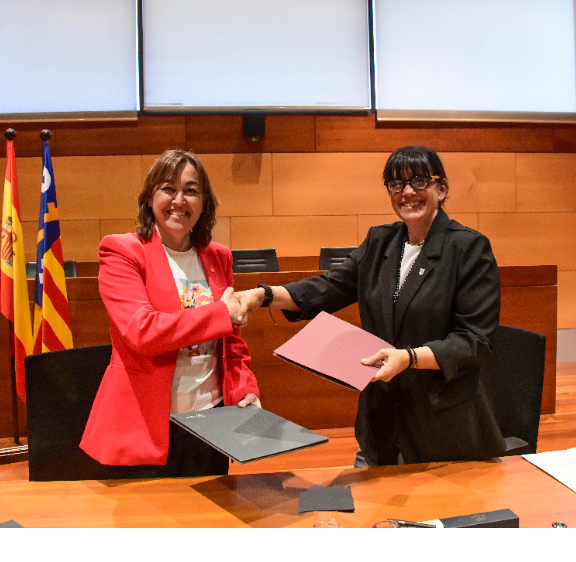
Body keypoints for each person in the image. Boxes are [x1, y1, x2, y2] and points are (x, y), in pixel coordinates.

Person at [236, 146, 505, 466]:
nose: (407, 192)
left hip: (443, 426)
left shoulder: (468, 248)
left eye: (419, 181)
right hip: (381, 422)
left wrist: (409, 358)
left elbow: (475, 341)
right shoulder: (380, 242)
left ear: (441, 188)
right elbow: (329, 287)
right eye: (396, 184)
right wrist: (263, 295)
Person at [80, 150, 260, 478]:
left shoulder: (218, 257)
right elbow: (143, 331)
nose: (179, 200)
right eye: (168, 188)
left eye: (191, 190)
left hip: (211, 423)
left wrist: (245, 388)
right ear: (150, 198)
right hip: (145, 428)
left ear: (204, 203)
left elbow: (231, 343)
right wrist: (221, 313)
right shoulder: (122, 251)